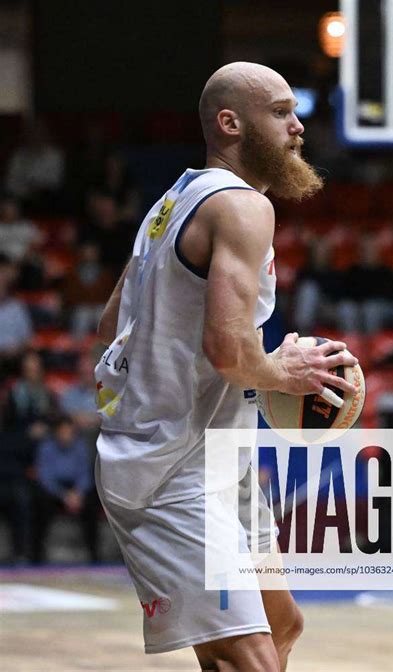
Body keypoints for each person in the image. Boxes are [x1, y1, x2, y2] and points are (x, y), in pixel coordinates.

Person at [94, 62, 358, 671]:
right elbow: (229, 352)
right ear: (230, 122)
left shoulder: (174, 200)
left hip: (215, 459)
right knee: (248, 659)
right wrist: (284, 370)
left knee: (282, 626)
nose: (297, 127)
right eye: (282, 112)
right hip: (169, 473)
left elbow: (113, 326)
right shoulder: (242, 208)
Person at [31, 415, 99, 564]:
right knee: (39, 503)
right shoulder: (46, 447)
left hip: (76, 490)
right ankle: (36, 555)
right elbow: (45, 477)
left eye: (69, 432)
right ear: (56, 432)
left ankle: (94, 554)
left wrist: (78, 493)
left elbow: (85, 473)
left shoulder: (80, 446)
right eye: (63, 432)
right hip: (55, 491)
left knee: (93, 504)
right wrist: (64, 495)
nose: (66, 435)